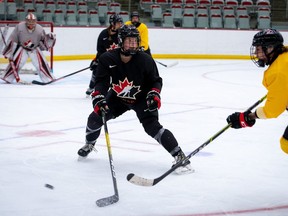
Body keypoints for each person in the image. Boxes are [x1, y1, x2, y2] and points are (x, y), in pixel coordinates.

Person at [78, 25, 193, 174]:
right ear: (120, 41)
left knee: (152, 127)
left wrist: (154, 94)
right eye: (129, 41)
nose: (133, 44)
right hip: (118, 97)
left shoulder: (145, 59)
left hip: (141, 98)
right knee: (94, 119)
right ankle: (89, 144)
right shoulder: (107, 58)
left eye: (135, 41)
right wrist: (98, 97)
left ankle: (180, 157)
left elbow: (156, 81)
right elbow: (101, 82)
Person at [226, 28, 288, 155]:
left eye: (258, 49)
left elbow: (272, 111)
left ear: (270, 48)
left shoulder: (278, 71)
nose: (255, 53)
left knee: (286, 144)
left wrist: (248, 117)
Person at [1, 13, 56, 84]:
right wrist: (8, 52)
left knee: (41, 63)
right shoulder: (20, 27)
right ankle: (7, 77)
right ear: (26, 21)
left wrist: (50, 38)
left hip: (34, 48)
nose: (31, 24)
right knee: (16, 63)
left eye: (32, 22)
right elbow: (13, 39)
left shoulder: (40, 29)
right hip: (22, 48)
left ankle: (48, 78)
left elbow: (43, 42)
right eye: (29, 22)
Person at [86, 13, 123, 97]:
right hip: (104, 57)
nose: (120, 24)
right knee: (96, 71)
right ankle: (92, 87)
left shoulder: (121, 33)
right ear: (113, 23)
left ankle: (115, 89)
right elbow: (99, 49)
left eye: (121, 22)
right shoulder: (103, 34)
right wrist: (98, 60)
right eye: (118, 22)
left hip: (117, 59)